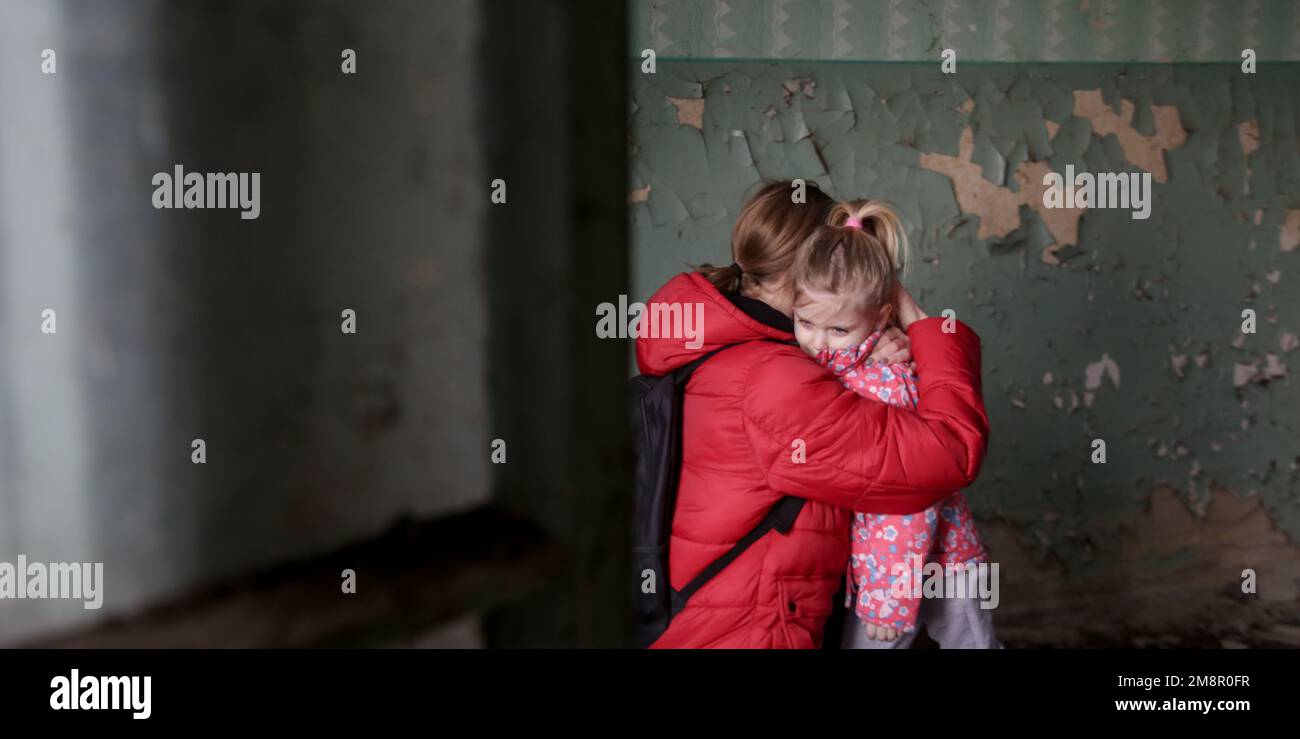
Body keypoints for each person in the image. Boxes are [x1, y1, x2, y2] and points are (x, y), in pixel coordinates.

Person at [636, 181, 989, 648]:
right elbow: (949, 456)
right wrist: (919, 322)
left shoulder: (735, 349)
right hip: (747, 635)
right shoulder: (775, 380)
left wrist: (867, 343)